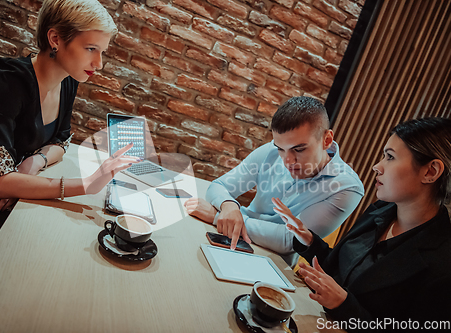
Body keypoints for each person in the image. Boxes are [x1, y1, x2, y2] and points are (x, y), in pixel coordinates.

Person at [0, 0, 140, 268]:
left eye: (102, 52)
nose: (98, 64)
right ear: (55, 39)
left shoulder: (68, 81)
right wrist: (88, 184)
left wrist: (35, 161)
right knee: (45, 252)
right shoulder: (7, 81)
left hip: (5, 201)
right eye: (90, 49)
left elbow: (61, 139)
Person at [276, 117, 451, 328]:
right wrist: (310, 241)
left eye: (390, 157)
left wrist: (344, 305)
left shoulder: (442, 263)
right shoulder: (381, 211)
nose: (377, 166)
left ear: (430, 171)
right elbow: (338, 268)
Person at [185, 96, 364, 265]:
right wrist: (228, 206)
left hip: (272, 263)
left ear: (327, 140)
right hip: (230, 237)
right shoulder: (272, 150)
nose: (287, 161)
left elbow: (290, 240)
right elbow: (220, 185)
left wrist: (218, 217)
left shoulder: (347, 187)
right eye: (281, 149)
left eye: (299, 149)